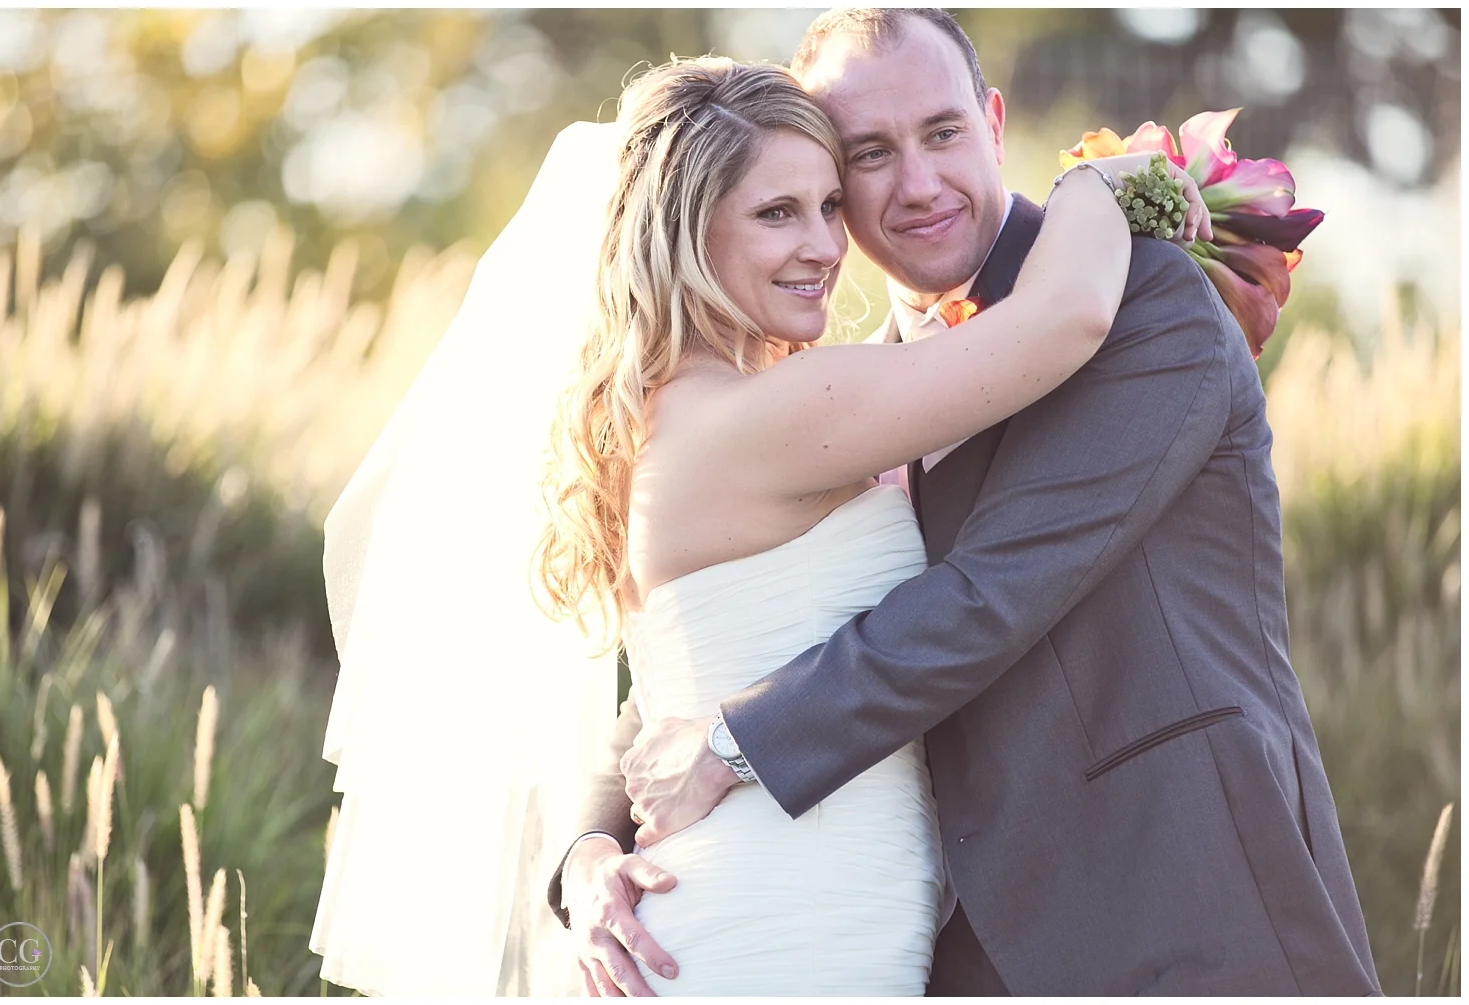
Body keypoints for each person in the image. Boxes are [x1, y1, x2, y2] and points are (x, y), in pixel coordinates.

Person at [310, 43, 1193, 1000]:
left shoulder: (663, 416)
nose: (823, 245)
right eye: (776, 214)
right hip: (786, 923)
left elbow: (672, 695)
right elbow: (1060, 319)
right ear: (689, 232)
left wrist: (590, 840)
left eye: (825, 205)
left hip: (770, 910)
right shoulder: (782, 412)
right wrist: (1098, 188)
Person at [553, 8, 1382, 998]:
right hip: (936, 947)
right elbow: (697, 654)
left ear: (993, 123)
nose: (915, 183)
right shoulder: (851, 392)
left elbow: (999, 586)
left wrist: (734, 747)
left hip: (1180, 907)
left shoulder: (1145, 303)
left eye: (942, 133)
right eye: (867, 154)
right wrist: (591, 847)